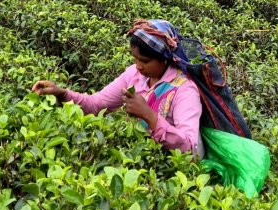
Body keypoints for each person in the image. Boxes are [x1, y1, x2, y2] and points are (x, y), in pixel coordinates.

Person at [33, 19, 203, 157]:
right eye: (135, 59)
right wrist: (62, 94)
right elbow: (96, 105)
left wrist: (148, 115)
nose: (138, 66)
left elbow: (189, 148)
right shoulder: (134, 76)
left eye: (144, 61)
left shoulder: (184, 90)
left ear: (165, 59)